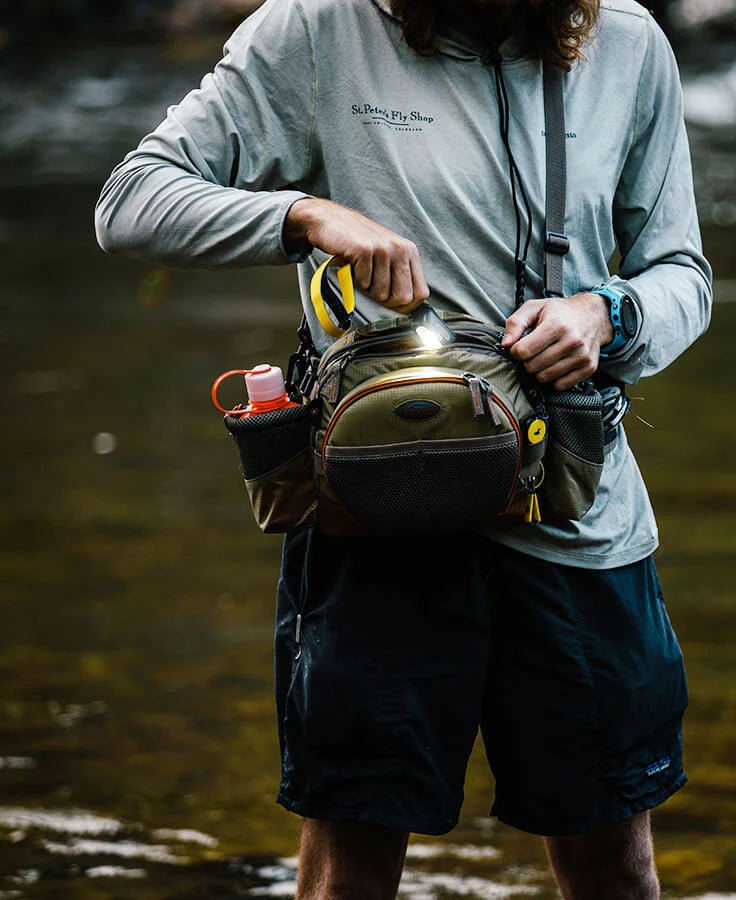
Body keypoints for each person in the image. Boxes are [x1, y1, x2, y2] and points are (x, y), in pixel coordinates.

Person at [95, 0, 712, 896]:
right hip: (373, 525)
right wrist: (305, 216)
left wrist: (607, 315)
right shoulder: (313, 30)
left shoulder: (629, 42)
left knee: (614, 862)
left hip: (581, 518)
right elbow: (130, 200)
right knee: (350, 868)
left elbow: (681, 275)